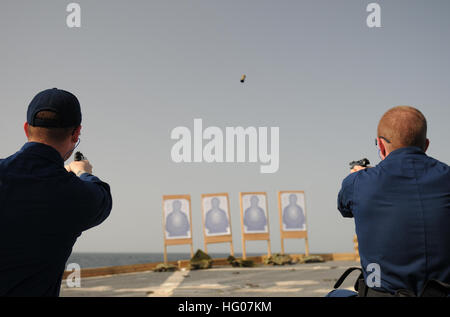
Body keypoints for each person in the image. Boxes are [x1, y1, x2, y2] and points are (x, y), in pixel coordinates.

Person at [0, 88, 112, 296]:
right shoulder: (76, 196)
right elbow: (103, 197)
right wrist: (82, 173)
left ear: (26, 129)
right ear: (76, 133)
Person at [328, 106, 450, 297]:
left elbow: (344, 208)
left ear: (381, 145)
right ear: (425, 145)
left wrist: (360, 177)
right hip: (442, 293)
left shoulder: (359, 183)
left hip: (381, 294)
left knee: (335, 295)